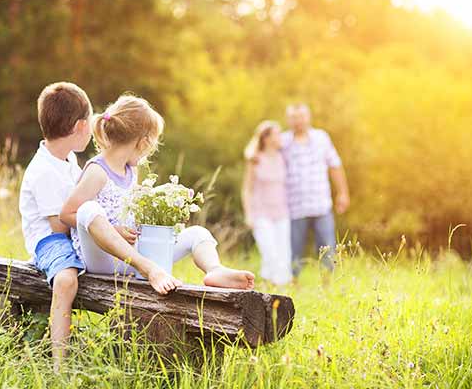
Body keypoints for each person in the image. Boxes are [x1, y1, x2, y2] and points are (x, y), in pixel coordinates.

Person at [60, 94, 255, 290]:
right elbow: (67, 214)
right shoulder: (98, 171)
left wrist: (165, 193)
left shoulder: (130, 170)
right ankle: (149, 269)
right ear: (143, 142)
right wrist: (114, 231)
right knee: (88, 209)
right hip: (101, 259)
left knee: (197, 233)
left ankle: (214, 269)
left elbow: (135, 203)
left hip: (130, 257)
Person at [18, 82, 92, 370]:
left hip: (69, 230)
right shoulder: (43, 171)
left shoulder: (67, 158)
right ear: (79, 126)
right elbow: (59, 229)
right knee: (66, 280)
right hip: (49, 241)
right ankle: (59, 365)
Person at [281, 103, 350, 275]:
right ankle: (293, 285)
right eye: (294, 118)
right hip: (294, 208)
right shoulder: (282, 141)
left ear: (308, 117)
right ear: (288, 120)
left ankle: (327, 286)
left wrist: (343, 193)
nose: (298, 121)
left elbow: (335, 165)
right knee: (293, 251)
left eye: (301, 117)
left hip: (321, 205)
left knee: (327, 249)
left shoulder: (321, 138)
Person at [241, 120, 292, 285]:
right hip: (261, 212)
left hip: (282, 212)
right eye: (277, 134)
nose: (280, 137)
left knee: (284, 252)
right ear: (267, 138)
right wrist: (248, 214)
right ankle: (269, 282)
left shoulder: (283, 157)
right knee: (270, 252)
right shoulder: (255, 160)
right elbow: (247, 189)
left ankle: (280, 287)